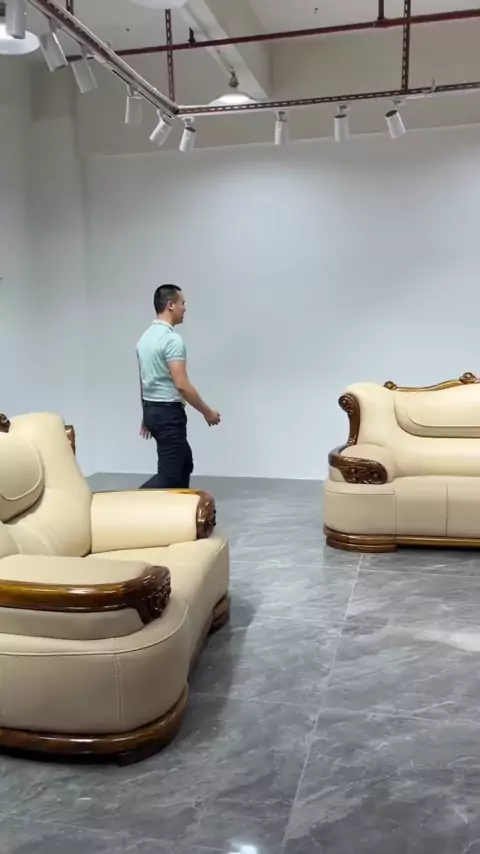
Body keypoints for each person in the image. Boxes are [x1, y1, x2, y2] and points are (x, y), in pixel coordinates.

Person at [136, 284, 220, 489]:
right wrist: (207, 412)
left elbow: (143, 380)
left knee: (184, 463)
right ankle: (129, 502)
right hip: (168, 415)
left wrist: (146, 414)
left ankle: (177, 508)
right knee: (170, 476)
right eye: (182, 302)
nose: (185, 307)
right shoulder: (171, 340)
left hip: (154, 411)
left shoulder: (145, 338)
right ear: (170, 305)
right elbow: (181, 385)